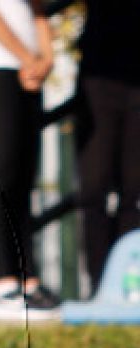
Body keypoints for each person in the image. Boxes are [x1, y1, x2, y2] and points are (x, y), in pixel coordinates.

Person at [0, 0, 60, 321]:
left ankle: (28, 281)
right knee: (1, 173)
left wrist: (46, 58)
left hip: (29, 72)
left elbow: (38, 10)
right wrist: (27, 58)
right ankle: (3, 284)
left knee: (24, 175)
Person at [73, 1, 140, 292]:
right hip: (99, 74)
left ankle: (129, 284)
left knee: (134, 191)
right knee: (93, 188)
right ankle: (100, 285)